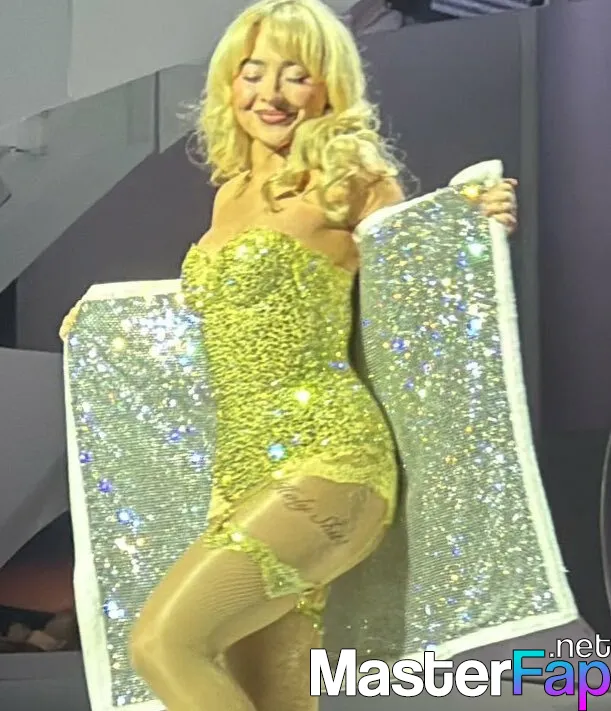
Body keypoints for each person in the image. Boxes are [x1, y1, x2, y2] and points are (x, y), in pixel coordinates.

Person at [59, 2, 542, 711]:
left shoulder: (350, 178)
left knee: (163, 643)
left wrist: (469, 221)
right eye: (253, 73)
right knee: (270, 696)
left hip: (330, 462)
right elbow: (227, 320)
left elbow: (412, 265)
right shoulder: (229, 195)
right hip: (240, 475)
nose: (271, 94)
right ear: (229, 83)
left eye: (296, 74)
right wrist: (107, 330)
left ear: (327, 86)